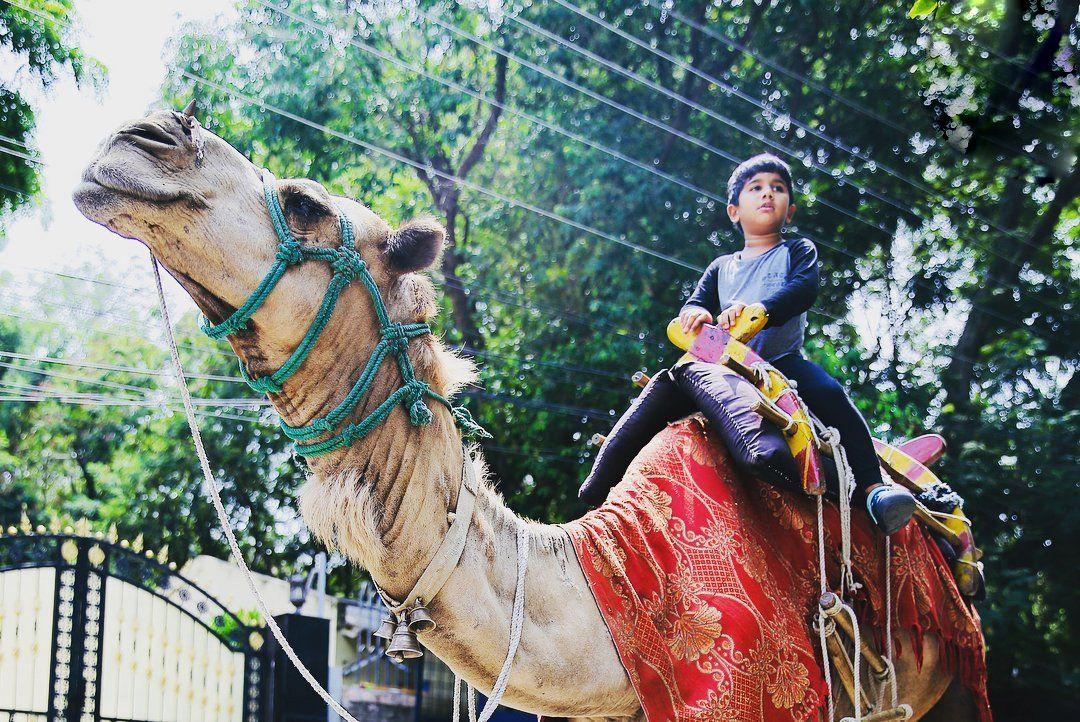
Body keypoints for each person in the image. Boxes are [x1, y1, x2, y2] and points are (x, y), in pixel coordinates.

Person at [677, 153, 915, 535]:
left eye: (778, 188)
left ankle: (873, 488)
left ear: (790, 211)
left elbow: (803, 290)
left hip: (781, 361)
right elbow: (696, 303)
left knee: (831, 394)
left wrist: (760, 310)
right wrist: (695, 313)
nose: (767, 194)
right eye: (755, 188)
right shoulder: (721, 266)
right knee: (672, 392)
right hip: (727, 365)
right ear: (734, 211)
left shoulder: (796, 251)